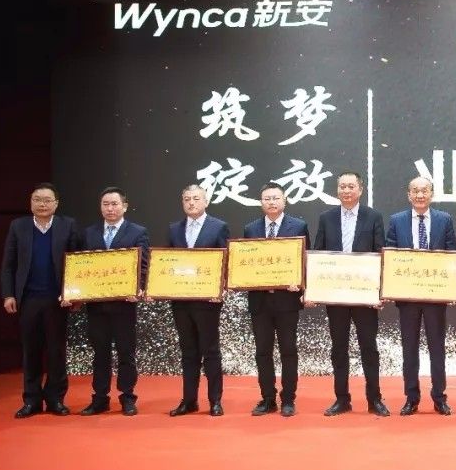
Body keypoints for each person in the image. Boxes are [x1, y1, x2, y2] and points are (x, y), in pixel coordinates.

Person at [312, 172, 390, 417]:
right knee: (339, 348)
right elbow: (318, 254)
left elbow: (381, 253)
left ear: (360, 190)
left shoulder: (373, 216)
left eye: (351, 186)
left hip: (364, 296)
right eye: (342, 186)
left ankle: (374, 399)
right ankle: (342, 399)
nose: (346, 190)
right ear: (337, 190)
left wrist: (380, 291)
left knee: (369, 348)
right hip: (336, 296)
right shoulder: (326, 218)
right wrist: (315, 289)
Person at [1, 183, 81, 418]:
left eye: (47, 200)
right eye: (37, 199)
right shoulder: (18, 226)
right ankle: (31, 400)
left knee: (56, 351)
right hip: (28, 300)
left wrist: (74, 294)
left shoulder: (68, 225)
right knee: (31, 351)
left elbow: (78, 263)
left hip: (58, 300)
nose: (42, 204)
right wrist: (8, 294)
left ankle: (55, 399)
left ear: (56, 203)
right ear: (30, 203)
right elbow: (8, 264)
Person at [385, 176, 456, 416]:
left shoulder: (444, 219)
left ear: (431, 194)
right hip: (408, 297)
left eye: (424, 190)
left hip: (435, 296)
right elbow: (390, 255)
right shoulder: (397, 221)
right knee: (409, 350)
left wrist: (452, 287)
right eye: (415, 191)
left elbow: (451, 254)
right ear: (409, 195)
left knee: (437, 348)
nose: (419, 195)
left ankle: (439, 397)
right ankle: (411, 398)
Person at [79, 187, 150, 416]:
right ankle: (100, 398)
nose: (110, 209)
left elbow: (144, 266)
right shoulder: (89, 233)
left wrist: (138, 289)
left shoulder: (137, 232)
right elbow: (80, 268)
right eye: (105, 204)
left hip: (124, 304)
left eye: (114, 204)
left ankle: (127, 397)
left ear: (124, 206)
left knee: (126, 353)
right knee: (100, 353)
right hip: (96, 306)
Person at [243, 183, 309, 417]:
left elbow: (305, 262)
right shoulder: (250, 229)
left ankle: (288, 399)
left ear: (284, 200)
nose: (271, 202)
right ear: (261, 202)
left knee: (288, 351)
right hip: (259, 301)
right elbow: (245, 264)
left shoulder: (298, 226)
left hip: (287, 301)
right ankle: (267, 398)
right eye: (267, 198)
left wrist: (300, 282)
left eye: (275, 198)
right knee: (262, 352)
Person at [165, 185, 230, 417]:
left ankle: (215, 401)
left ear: (206, 201)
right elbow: (166, 262)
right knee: (188, 352)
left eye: (196, 198)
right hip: (181, 301)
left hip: (207, 301)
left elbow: (226, 261)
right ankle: (189, 400)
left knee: (210, 351)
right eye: (186, 199)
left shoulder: (218, 227)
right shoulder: (174, 229)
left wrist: (220, 288)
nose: (191, 203)